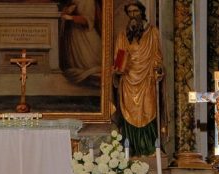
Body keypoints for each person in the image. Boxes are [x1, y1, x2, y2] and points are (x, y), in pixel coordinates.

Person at [113, 1, 164, 156]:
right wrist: (118, 69)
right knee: (129, 112)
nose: (133, 15)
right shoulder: (123, 35)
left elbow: (157, 56)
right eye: (130, 12)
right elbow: (119, 56)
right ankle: (132, 149)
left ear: (142, 13)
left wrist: (158, 68)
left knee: (148, 109)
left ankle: (150, 148)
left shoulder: (152, 32)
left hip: (147, 78)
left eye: (135, 11)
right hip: (128, 80)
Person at [60, 0, 102, 86]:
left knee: (90, 65)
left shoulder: (89, 1)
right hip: (74, 37)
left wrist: (71, 17)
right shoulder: (72, 0)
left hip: (86, 40)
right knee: (74, 66)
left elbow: (88, 21)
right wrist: (66, 11)